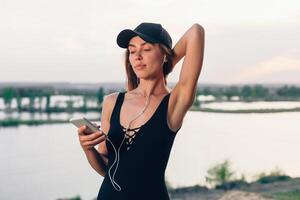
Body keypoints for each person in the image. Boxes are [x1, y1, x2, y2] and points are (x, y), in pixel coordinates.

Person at [77, 22, 205, 200]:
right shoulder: (112, 102)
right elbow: (107, 169)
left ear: (165, 55)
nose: (137, 56)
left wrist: (167, 64)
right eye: (132, 50)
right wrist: (88, 149)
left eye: (146, 49)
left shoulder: (173, 104)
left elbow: (195, 32)